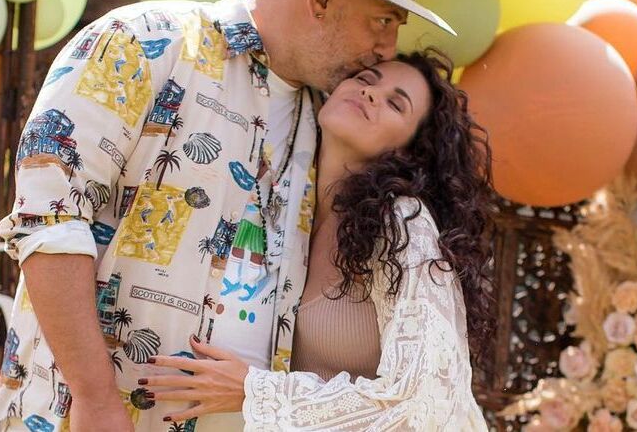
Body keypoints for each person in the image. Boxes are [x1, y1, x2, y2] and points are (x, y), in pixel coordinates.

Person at [0, 0, 455, 432]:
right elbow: (49, 222)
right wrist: (95, 400)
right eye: (383, 20)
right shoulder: (144, 41)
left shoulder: (327, 118)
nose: (387, 47)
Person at [138, 51, 494, 431]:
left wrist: (254, 392)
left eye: (396, 104)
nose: (370, 93)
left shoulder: (402, 224)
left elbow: (424, 401)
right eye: (365, 79)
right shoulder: (286, 203)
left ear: (409, 150)